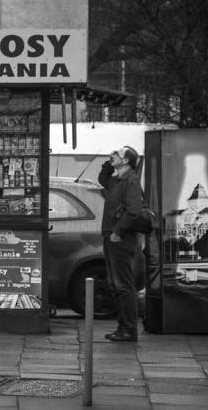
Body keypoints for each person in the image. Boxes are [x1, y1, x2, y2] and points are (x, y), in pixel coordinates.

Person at [98, 145, 144, 342]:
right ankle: (122, 327)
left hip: (121, 239)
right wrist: (110, 161)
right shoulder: (116, 180)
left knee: (124, 286)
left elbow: (133, 212)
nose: (113, 154)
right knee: (115, 285)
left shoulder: (131, 181)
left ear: (126, 161)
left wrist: (117, 232)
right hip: (110, 237)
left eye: (117, 153)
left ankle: (129, 330)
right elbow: (102, 178)